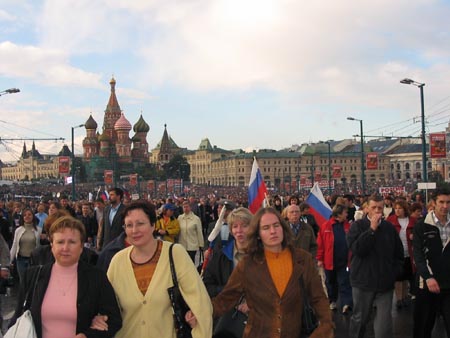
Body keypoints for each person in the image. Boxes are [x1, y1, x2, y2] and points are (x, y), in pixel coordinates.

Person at [212, 207, 334, 338]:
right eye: (266, 228)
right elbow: (225, 299)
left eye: (276, 225)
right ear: (258, 234)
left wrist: (326, 327)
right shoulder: (247, 264)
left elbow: (318, 298)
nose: (273, 231)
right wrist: (199, 314)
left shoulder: (302, 260)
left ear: (283, 227)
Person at [107, 200, 212, 338]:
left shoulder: (175, 254)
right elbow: (105, 306)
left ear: (153, 225)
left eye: (140, 224)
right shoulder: (117, 261)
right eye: (129, 225)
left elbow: (201, 303)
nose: (134, 230)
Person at [11, 215, 122, 338]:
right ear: (52, 245)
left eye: (72, 242)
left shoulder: (96, 277)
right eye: (60, 242)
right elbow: (18, 317)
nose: (65, 248)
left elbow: (114, 320)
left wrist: (88, 335)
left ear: (81, 247)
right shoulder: (32, 276)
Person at [347, 195, 404, 338]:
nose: (378, 211)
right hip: (363, 283)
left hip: (384, 284)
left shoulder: (389, 228)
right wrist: (372, 230)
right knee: (360, 320)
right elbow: (358, 249)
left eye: (380, 207)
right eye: (374, 207)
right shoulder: (357, 226)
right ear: (366, 209)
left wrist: (393, 273)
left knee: (384, 326)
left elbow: (398, 253)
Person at [413, 188, 450, 338]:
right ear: (433, 203)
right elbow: (418, 255)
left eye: (448, 202)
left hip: (448, 284)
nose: (445, 206)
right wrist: (428, 277)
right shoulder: (421, 226)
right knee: (423, 327)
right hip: (427, 284)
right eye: (441, 202)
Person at [316, 204, 353, 314]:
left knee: (344, 282)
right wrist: (320, 258)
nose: (347, 214)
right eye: (345, 212)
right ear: (339, 214)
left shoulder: (348, 226)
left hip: (344, 261)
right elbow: (320, 244)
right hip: (329, 261)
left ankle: (347, 303)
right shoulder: (326, 226)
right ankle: (332, 300)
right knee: (330, 282)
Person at [386, 199, 416, 309]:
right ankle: (399, 299)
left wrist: (414, 237)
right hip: (396, 252)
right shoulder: (390, 220)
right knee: (398, 277)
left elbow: (417, 233)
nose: (397, 210)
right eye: (396, 208)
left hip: (409, 252)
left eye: (400, 208)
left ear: (404, 209)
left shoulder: (412, 220)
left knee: (406, 276)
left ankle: (404, 297)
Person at [10, 207, 41, 283]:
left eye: (29, 215)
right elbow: (14, 245)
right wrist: (10, 260)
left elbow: (40, 246)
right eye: (25, 215)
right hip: (20, 260)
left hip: (33, 260)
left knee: (32, 282)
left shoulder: (39, 230)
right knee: (23, 282)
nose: (27, 216)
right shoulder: (18, 230)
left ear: (33, 216)